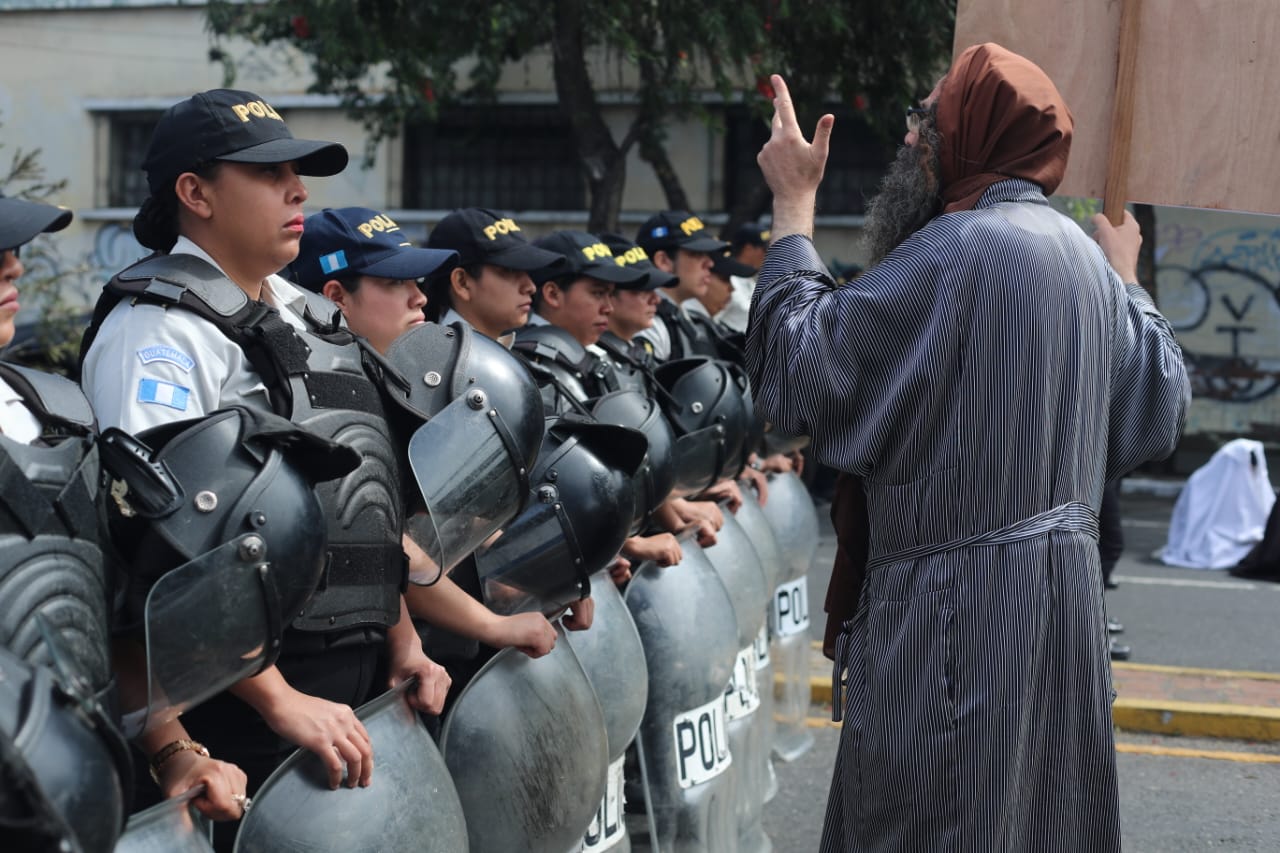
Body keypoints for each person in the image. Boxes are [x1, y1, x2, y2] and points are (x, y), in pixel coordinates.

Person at [750, 45, 1190, 851]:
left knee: (934, 819)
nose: (913, 140)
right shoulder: (1084, 265)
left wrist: (793, 206)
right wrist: (1129, 281)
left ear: (974, 137)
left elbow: (798, 377)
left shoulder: (958, 250)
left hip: (955, 615)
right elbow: (1160, 407)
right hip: (1058, 617)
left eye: (929, 122)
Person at [76, 89, 450, 850]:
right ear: (195, 192)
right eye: (268, 172)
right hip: (242, 714)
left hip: (356, 691)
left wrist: (401, 636)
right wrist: (277, 699)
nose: (298, 190)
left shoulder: (304, 313)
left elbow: (359, 498)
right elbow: (166, 550)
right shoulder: (156, 333)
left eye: (299, 171)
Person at [288, 204, 559, 658]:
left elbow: (440, 524)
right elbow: (384, 543)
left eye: (415, 282)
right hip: (329, 668)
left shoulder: (383, 380)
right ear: (335, 296)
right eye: (395, 283)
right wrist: (490, 624)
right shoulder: (314, 397)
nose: (419, 297)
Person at [423, 207, 566, 338]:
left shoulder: (498, 355)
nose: (530, 287)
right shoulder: (437, 361)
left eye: (526, 271)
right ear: (462, 283)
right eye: (509, 270)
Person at [633, 210, 728, 361]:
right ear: (663, 261)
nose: (709, 263)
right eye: (696, 254)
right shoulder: (651, 325)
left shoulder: (689, 317)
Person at [716, 220, 769, 332]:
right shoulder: (727, 280)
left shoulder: (750, 281)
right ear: (748, 249)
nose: (768, 254)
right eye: (765, 249)